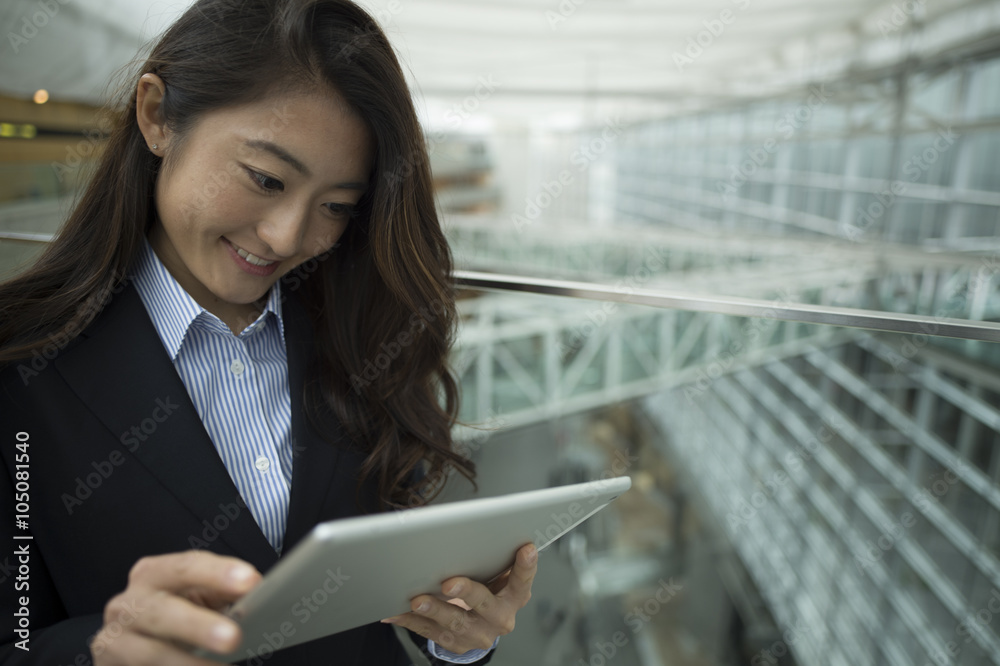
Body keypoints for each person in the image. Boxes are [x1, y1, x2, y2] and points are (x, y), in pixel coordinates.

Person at [0, 0, 537, 664]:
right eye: (264, 178)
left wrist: (456, 636)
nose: (288, 236)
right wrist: (102, 652)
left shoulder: (362, 331)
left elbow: (390, 599)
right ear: (157, 117)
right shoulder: (19, 370)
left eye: (337, 206)